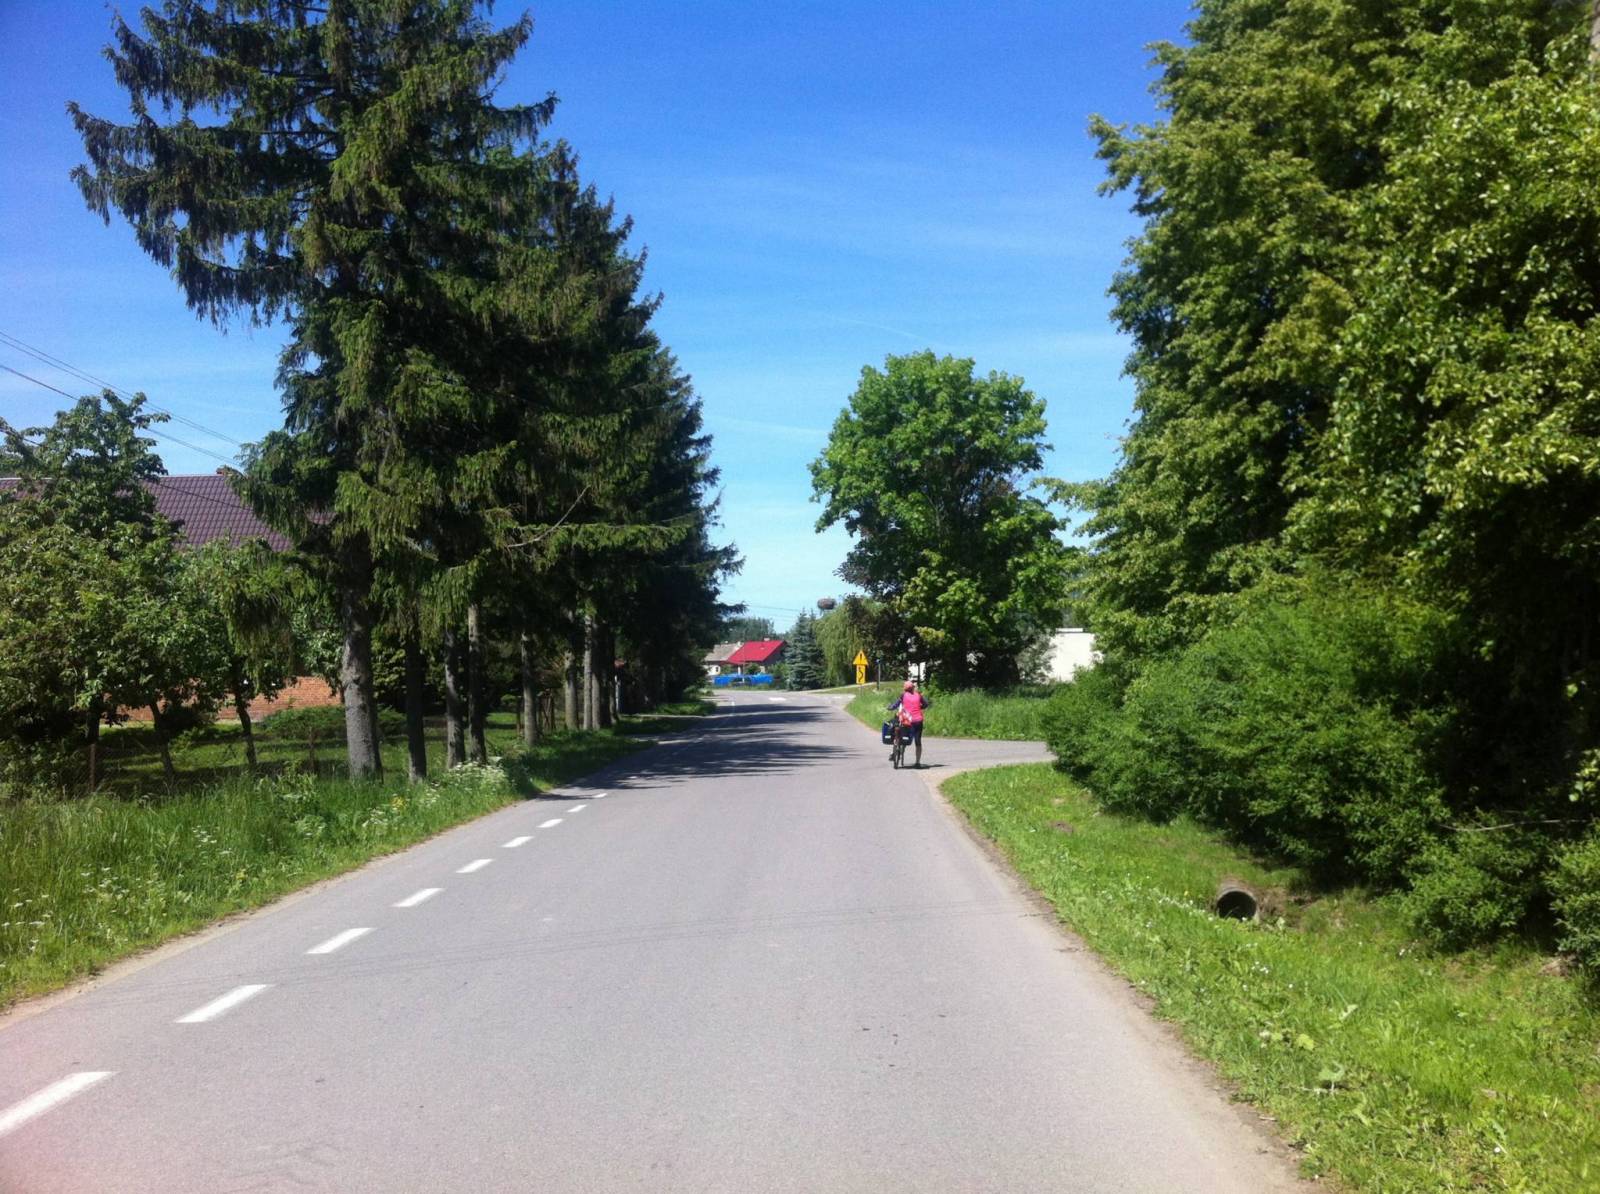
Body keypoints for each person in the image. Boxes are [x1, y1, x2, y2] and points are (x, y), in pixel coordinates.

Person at [887, 679, 931, 767]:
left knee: (898, 730)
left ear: (905, 689)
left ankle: (895, 748)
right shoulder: (918, 695)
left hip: (907, 721)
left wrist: (890, 707)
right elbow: (926, 704)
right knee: (918, 741)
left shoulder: (903, 695)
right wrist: (919, 707)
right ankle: (917, 762)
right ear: (913, 688)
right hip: (918, 721)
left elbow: (895, 705)